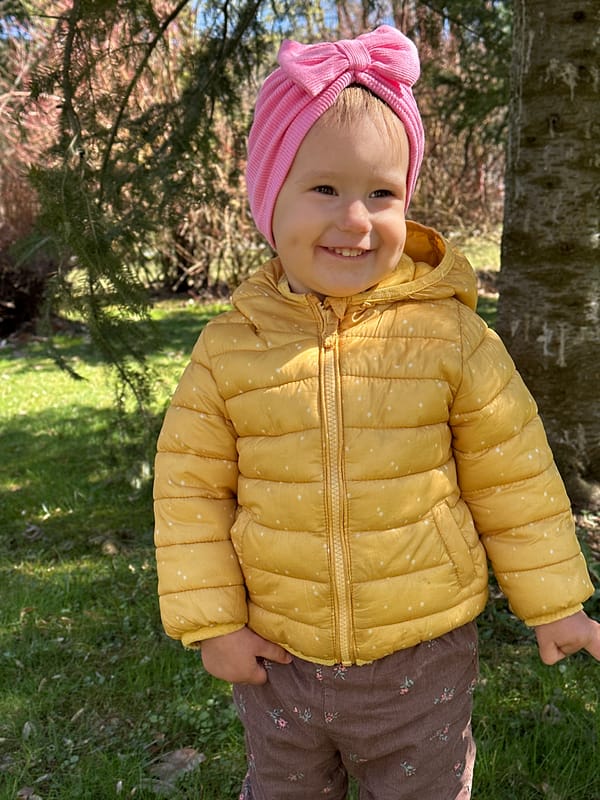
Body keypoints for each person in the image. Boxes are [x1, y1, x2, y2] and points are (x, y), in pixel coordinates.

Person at [153, 25, 600, 799]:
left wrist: (557, 603)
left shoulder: (450, 335)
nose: (356, 220)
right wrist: (214, 624)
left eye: (382, 193)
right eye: (324, 189)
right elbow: (189, 492)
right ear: (269, 197)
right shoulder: (230, 349)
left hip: (420, 659)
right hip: (280, 661)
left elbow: (514, 478)